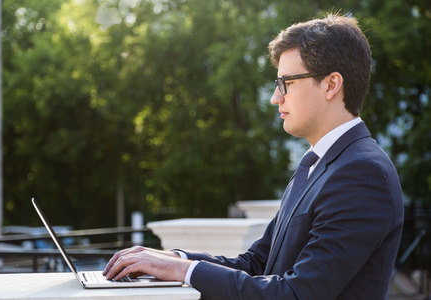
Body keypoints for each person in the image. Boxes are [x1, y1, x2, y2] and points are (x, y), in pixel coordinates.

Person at [103, 13, 404, 299]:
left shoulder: (362, 173)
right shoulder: (317, 164)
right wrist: (175, 260)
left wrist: (185, 270)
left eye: (287, 82)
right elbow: (259, 263)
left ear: (331, 84)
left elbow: (298, 293)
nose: (276, 97)